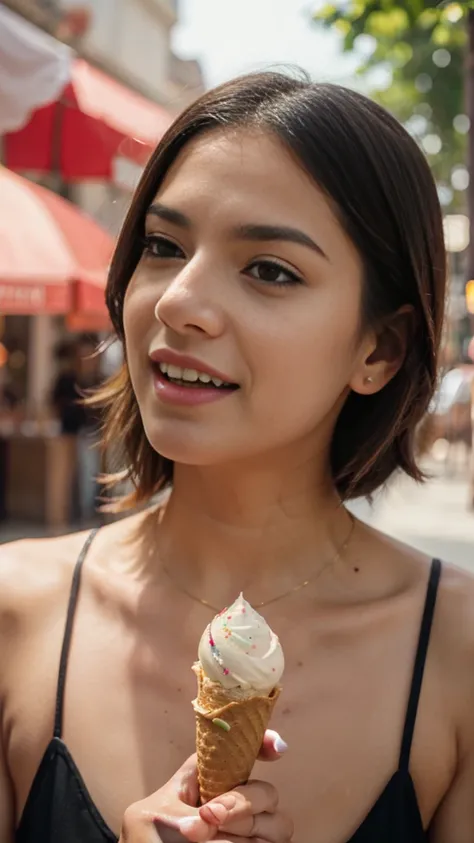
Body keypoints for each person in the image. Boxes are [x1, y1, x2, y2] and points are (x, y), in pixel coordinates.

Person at [0, 71, 473, 843]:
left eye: (270, 270)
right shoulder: (16, 614)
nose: (179, 300)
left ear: (379, 349)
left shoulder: (457, 651)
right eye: (162, 245)